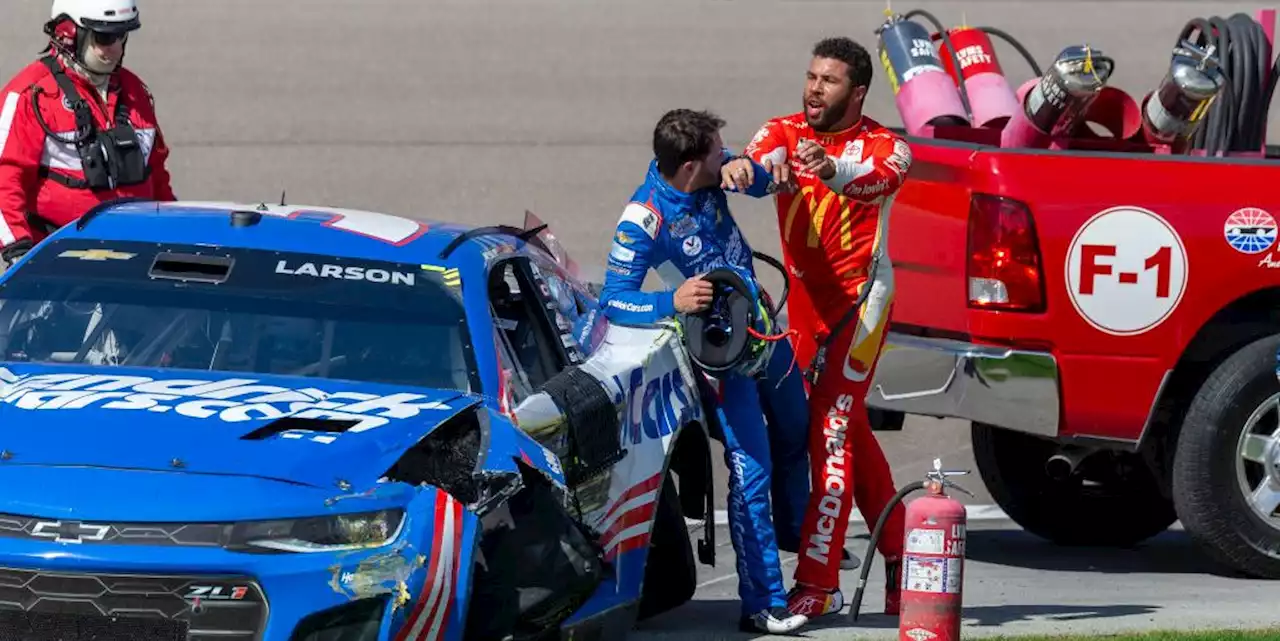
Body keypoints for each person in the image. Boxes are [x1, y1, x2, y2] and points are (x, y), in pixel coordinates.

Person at [597, 107, 810, 634]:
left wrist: (750, 170)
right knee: (751, 467)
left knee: (797, 430)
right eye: (719, 152)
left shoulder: (717, 173)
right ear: (691, 165)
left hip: (763, 324)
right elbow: (612, 302)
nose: (727, 154)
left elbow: (766, 181)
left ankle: (796, 538)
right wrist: (671, 300)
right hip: (722, 355)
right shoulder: (643, 218)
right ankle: (763, 603)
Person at [742, 36, 913, 620]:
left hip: (861, 306)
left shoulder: (888, 146)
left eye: (829, 81)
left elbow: (874, 181)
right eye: (811, 77)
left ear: (857, 92)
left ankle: (819, 580)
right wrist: (756, 171)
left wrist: (831, 167)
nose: (814, 89)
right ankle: (903, 553)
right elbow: (756, 164)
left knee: (832, 428)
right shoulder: (781, 129)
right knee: (848, 427)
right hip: (804, 307)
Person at [0, 0, 176, 269]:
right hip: (62, 266)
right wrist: (18, 250)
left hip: (138, 258)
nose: (115, 48)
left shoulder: (134, 90)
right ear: (68, 33)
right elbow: (4, 179)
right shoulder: (29, 95)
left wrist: (175, 234)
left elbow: (157, 174)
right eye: (104, 36)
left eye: (121, 35)